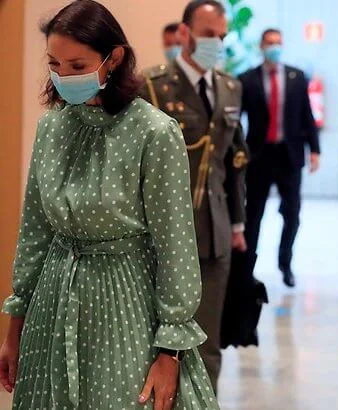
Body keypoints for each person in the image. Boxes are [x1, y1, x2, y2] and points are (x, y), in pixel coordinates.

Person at [0, 1, 219, 409]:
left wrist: (169, 351)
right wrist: (15, 329)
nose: (63, 76)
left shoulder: (154, 133)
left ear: (113, 59)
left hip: (123, 308)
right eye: (55, 64)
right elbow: (34, 233)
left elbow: (175, 248)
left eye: (77, 64)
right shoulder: (52, 128)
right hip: (51, 302)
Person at [139, 0, 248, 393]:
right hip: (163, 236)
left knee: (208, 345)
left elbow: (235, 161)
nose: (215, 44)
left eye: (221, 37)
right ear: (184, 33)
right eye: (207, 35)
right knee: (157, 346)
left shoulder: (230, 87)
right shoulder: (151, 85)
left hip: (216, 233)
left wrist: (237, 224)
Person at [239, 29, 321, 288]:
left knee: (292, 214)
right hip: (259, 156)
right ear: (261, 46)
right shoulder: (247, 80)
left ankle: (285, 265)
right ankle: (247, 269)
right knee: (253, 215)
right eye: (269, 43)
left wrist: (315, 150)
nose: (274, 47)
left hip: (289, 155)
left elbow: (306, 116)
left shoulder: (296, 77)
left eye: (278, 43)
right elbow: (235, 120)